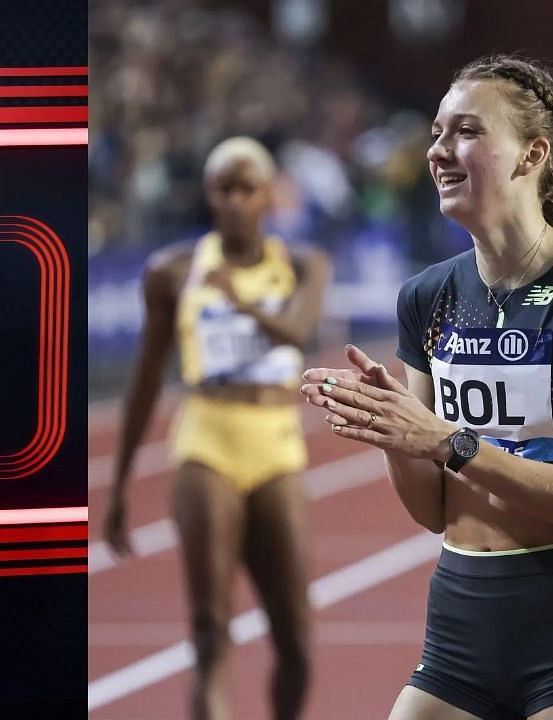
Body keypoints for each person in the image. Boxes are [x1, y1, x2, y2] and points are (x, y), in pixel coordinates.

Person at [301, 55, 553, 719]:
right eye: (437, 132)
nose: (438, 151)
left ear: (531, 155)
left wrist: (447, 439)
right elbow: (434, 510)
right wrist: (397, 434)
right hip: (458, 633)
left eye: (465, 131)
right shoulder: (428, 297)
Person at [104, 136, 330, 720]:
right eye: (222, 189)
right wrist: (121, 484)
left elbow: (300, 331)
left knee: (297, 640)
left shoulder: (304, 263)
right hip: (206, 439)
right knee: (210, 632)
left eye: (246, 188)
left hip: (276, 443)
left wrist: (240, 301)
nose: (233, 201)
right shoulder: (173, 271)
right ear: (208, 195)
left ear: (268, 195)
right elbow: (147, 378)